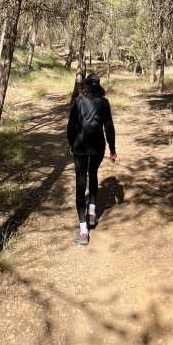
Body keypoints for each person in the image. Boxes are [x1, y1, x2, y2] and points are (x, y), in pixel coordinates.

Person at [67, 71, 116, 246]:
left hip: (80, 147)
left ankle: (83, 231)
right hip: (97, 148)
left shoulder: (79, 101)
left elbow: (71, 126)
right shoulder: (104, 103)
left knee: (81, 184)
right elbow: (109, 128)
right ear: (99, 86)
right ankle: (93, 213)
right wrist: (112, 149)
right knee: (93, 174)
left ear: (86, 85)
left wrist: (71, 144)